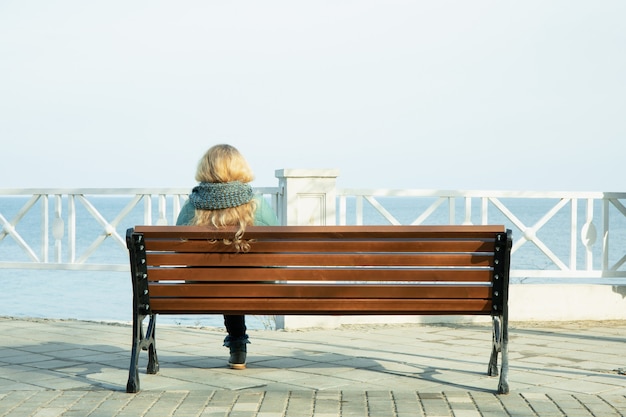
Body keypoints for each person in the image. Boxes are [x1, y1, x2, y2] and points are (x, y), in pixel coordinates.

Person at [175, 144, 279, 369]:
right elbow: (276, 247)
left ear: (206, 169)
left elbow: (177, 250)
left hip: (201, 288)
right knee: (237, 276)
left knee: (224, 278)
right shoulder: (257, 203)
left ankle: (237, 344)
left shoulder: (192, 205)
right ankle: (238, 346)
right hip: (258, 287)